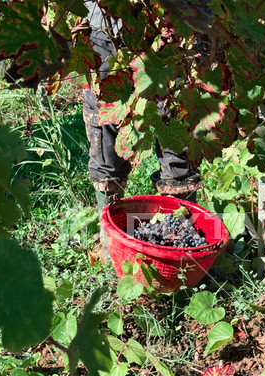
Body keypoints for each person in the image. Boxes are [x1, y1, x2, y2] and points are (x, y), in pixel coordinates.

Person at [82, 1, 202, 223]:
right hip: (104, 27)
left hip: (168, 25)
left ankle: (181, 243)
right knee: (105, 137)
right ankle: (114, 242)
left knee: (175, 134)